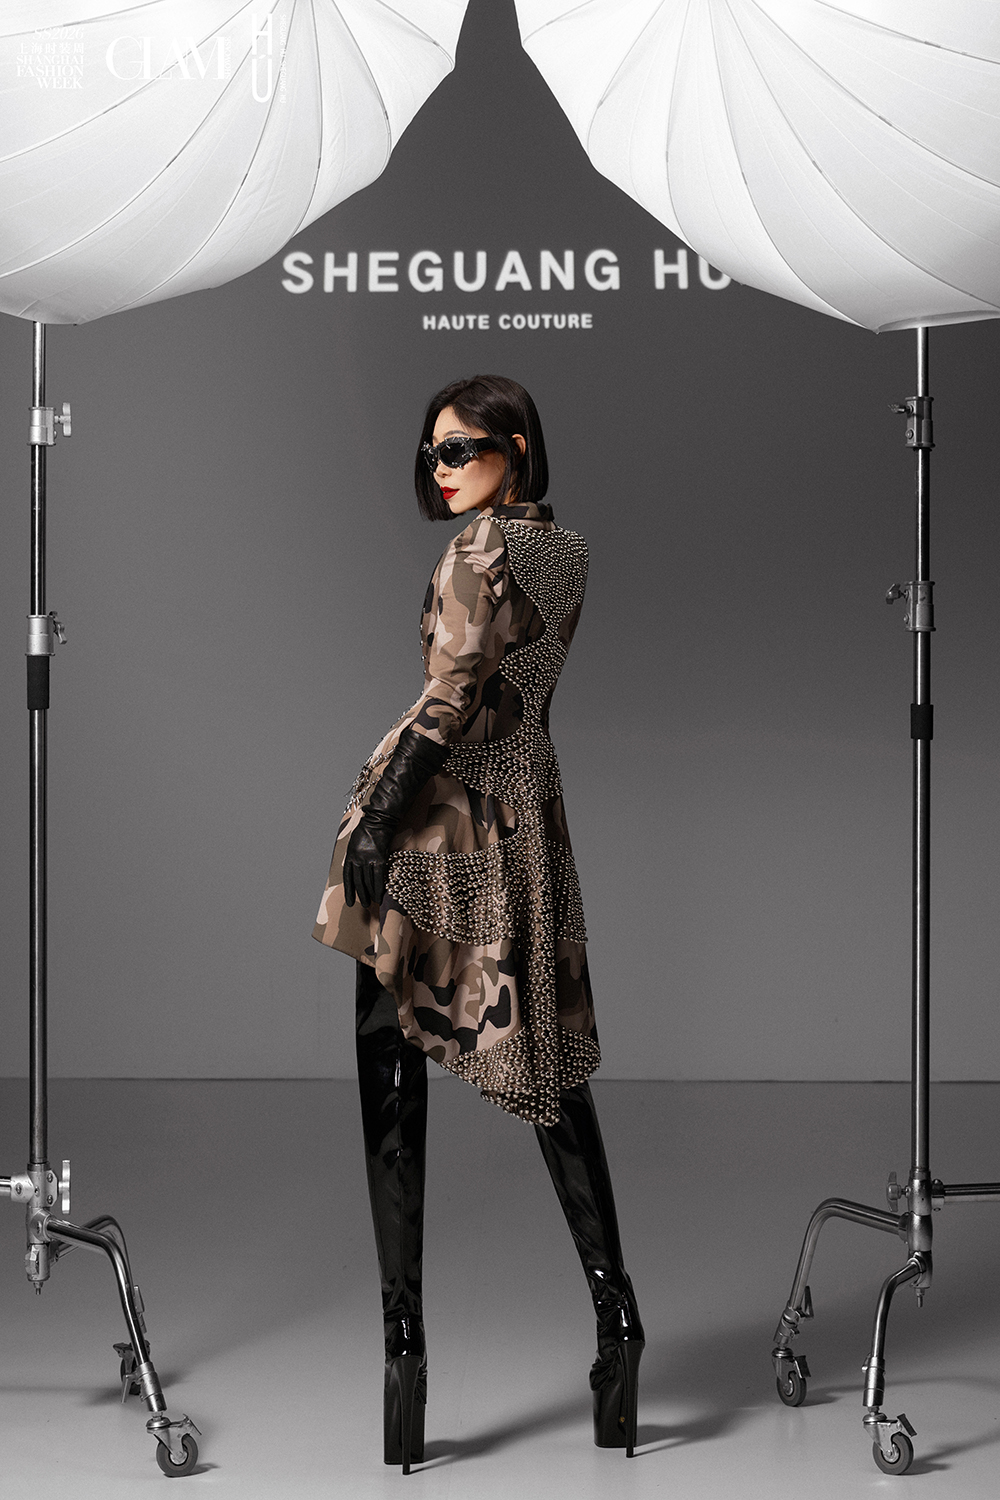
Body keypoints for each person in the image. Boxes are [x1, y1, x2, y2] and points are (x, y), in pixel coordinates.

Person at [313, 374, 644, 1472]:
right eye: (432, 452)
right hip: (526, 815)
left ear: (516, 448)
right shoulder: (565, 552)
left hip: (440, 823)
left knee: (388, 1057)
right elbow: (512, 691)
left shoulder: (479, 551)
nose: (441, 467)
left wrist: (379, 820)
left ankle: (402, 1350)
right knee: (544, 1061)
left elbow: (450, 695)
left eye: (461, 448)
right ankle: (618, 1322)